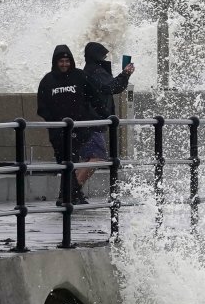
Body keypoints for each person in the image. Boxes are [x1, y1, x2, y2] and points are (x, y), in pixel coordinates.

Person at [37, 44, 107, 204]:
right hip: (58, 131)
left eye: (67, 61)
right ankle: (71, 195)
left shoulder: (80, 77)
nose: (64, 65)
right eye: (61, 61)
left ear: (71, 61)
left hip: (79, 129)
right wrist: (54, 122)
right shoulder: (47, 81)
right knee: (64, 163)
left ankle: (69, 195)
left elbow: (94, 97)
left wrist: (105, 116)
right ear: (55, 62)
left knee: (72, 162)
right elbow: (42, 107)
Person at [80, 42, 135, 191]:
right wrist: (125, 74)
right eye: (103, 56)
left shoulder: (90, 70)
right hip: (93, 121)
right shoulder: (95, 71)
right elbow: (112, 87)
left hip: (91, 120)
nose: (105, 58)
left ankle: (72, 191)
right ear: (96, 56)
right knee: (97, 157)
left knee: (88, 158)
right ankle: (73, 190)